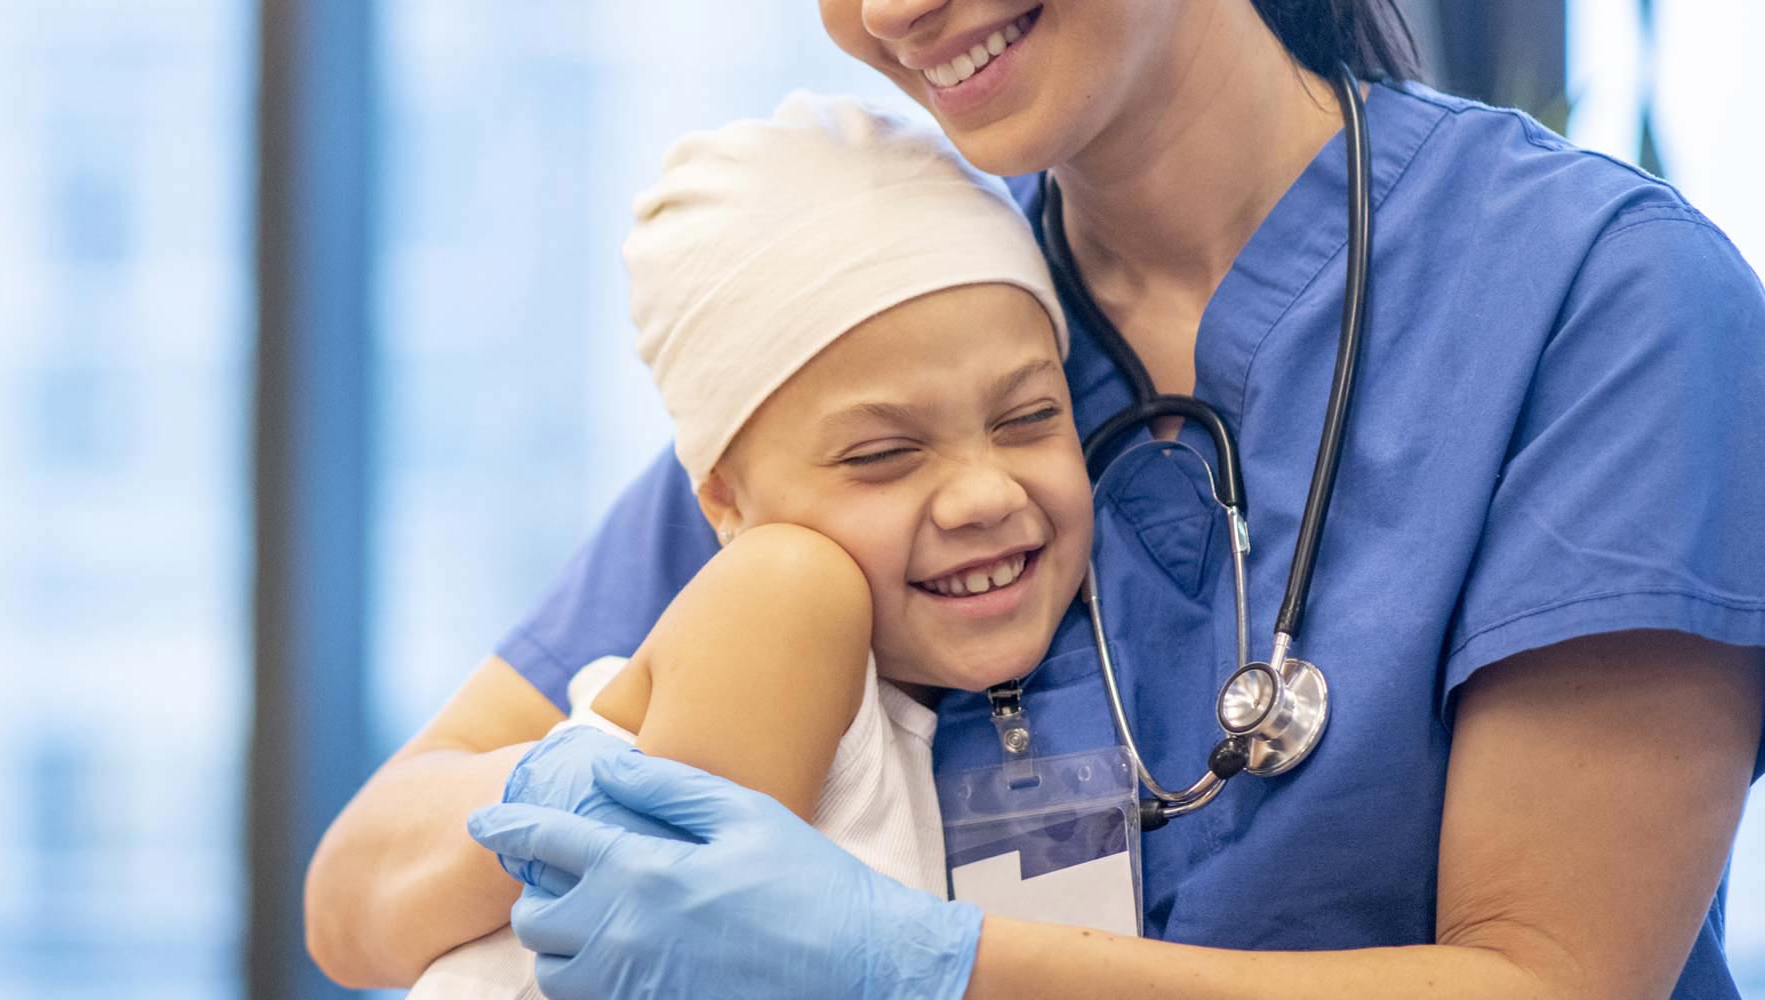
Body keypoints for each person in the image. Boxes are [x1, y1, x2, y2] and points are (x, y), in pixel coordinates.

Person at [308, 0, 1765, 997]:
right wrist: (595, 779)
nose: (890, 5)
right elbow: (367, 877)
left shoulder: (1602, 301)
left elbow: (1547, 980)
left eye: (1028, 422)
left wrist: (917, 964)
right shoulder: (899, 324)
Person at [408, 91, 1082, 999]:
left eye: (1032, 416)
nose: (983, 494)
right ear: (722, 503)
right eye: (883, 455)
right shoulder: (787, 594)